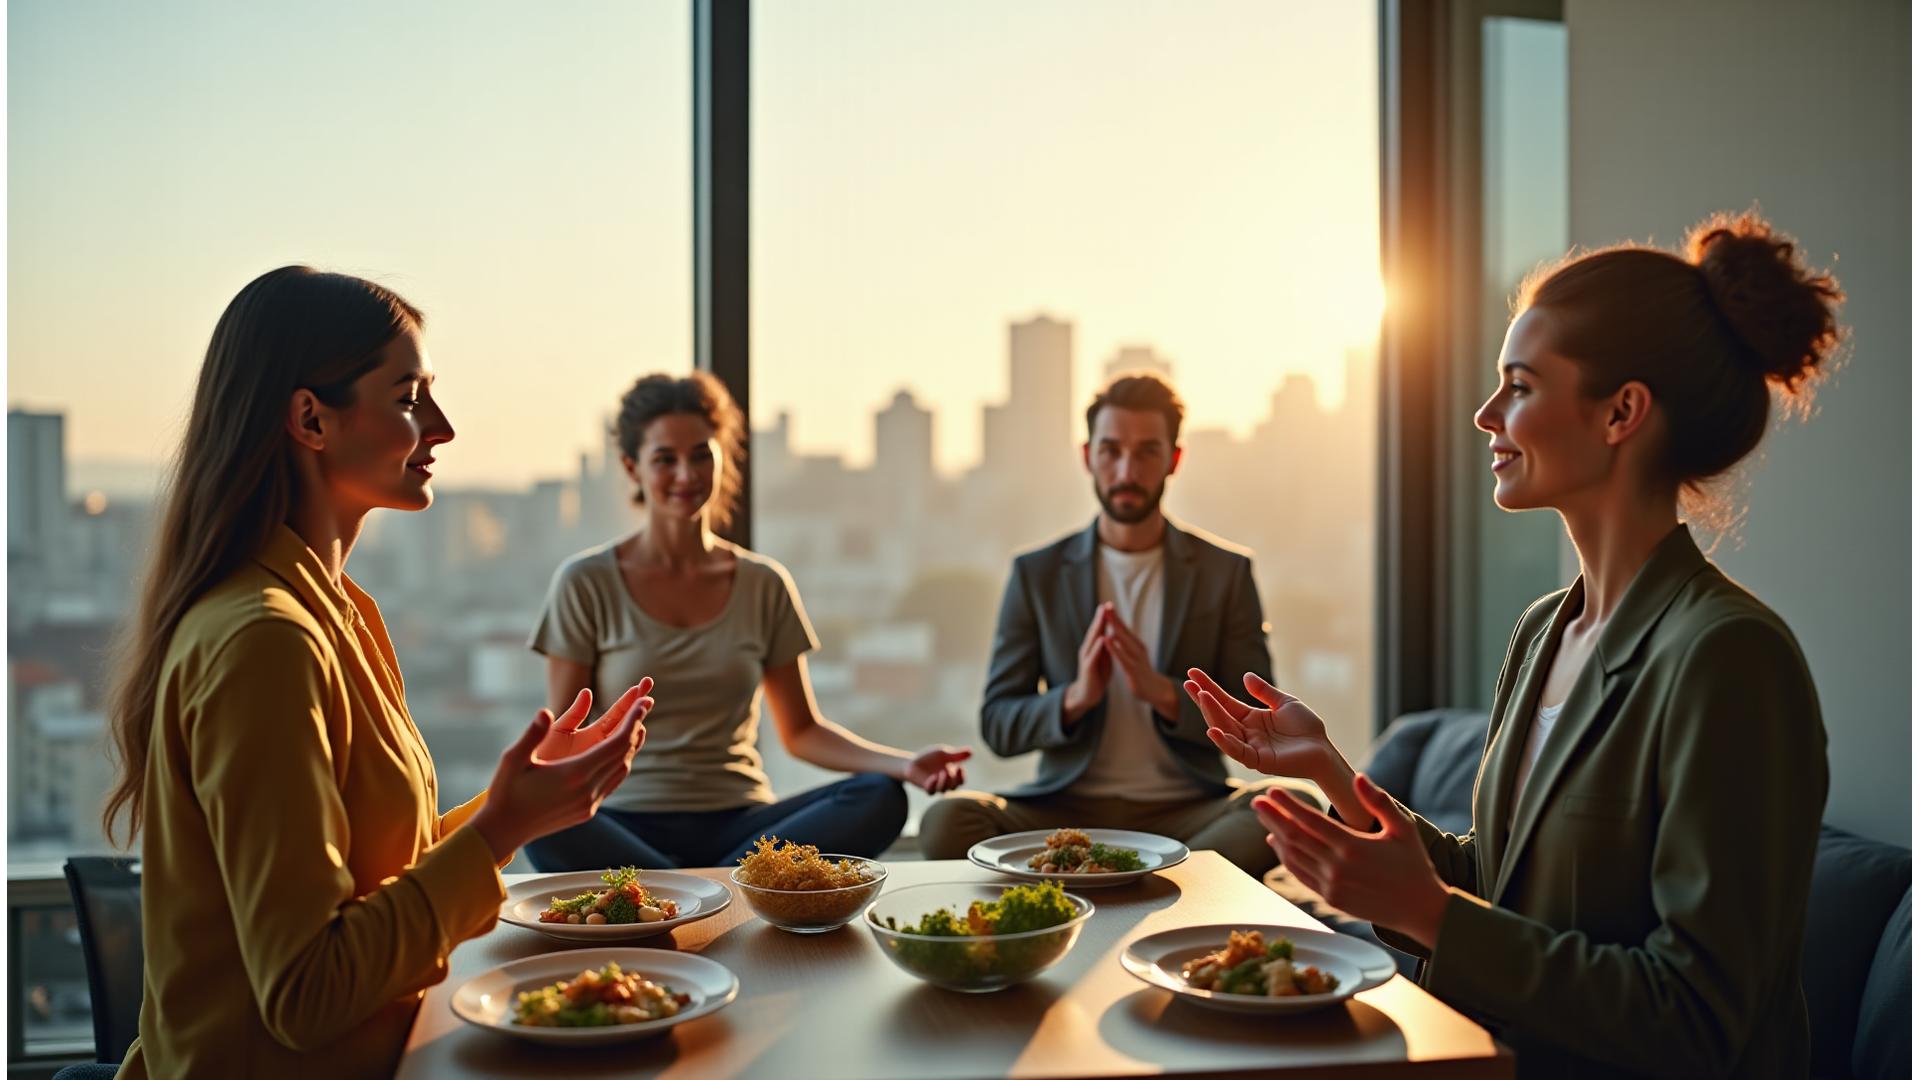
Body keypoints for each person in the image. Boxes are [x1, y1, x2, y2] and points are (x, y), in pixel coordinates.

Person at [1189, 211, 1839, 1078]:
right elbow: (1496, 881)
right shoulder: (1544, 633)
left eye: (1521, 386)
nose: (1485, 413)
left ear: (1621, 413)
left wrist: (1432, 918)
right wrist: (1331, 773)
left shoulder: (1729, 658)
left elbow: (1698, 1019)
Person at [91, 267, 654, 1080]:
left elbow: (371, 882)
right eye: (408, 398)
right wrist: (500, 830)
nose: (444, 428)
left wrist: (515, 810)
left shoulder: (334, 611)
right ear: (311, 419)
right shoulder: (266, 641)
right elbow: (306, 993)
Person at [521, 372, 971, 872]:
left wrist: (903, 765)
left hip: (742, 825)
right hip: (623, 821)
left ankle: (679, 895)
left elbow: (802, 730)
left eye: (700, 455)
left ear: (723, 458)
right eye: (665, 459)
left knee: (879, 796)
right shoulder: (586, 582)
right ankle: (737, 893)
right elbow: (562, 743)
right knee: (541, 822)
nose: (686, 474)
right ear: (632, 468)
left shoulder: (764, 584)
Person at [918, 373, 1311, 878]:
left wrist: (1163, 692)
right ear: (1087, 457)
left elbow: (1255, 718)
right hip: (1064, 810)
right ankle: (1173, 885)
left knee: (1292, 803)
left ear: (1174, 459)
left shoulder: (1225, 571)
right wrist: (1075, 697)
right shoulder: (1036, 574)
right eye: (1111, 450)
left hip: (1188, 809)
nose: (1127, 469)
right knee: (945, 820)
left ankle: (1126, 880)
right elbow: (999, 723)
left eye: (1147, 452)